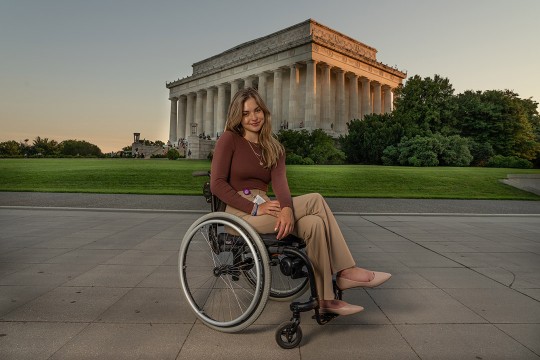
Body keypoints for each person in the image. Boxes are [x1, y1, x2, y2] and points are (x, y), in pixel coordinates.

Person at [210, 88, 391, 315]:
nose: (253, 117)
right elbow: (217, 184)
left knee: (315, 223)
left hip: (268, 207)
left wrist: (285, 208)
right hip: (240, 213)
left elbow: (281, 186)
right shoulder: (230, 140)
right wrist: (255, 208)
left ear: (264, 112)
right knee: (315, 199)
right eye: (246, 113)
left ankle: (325, 300)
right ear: (238, 116)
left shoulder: (274, 148)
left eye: (257, 110)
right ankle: (346, 271)